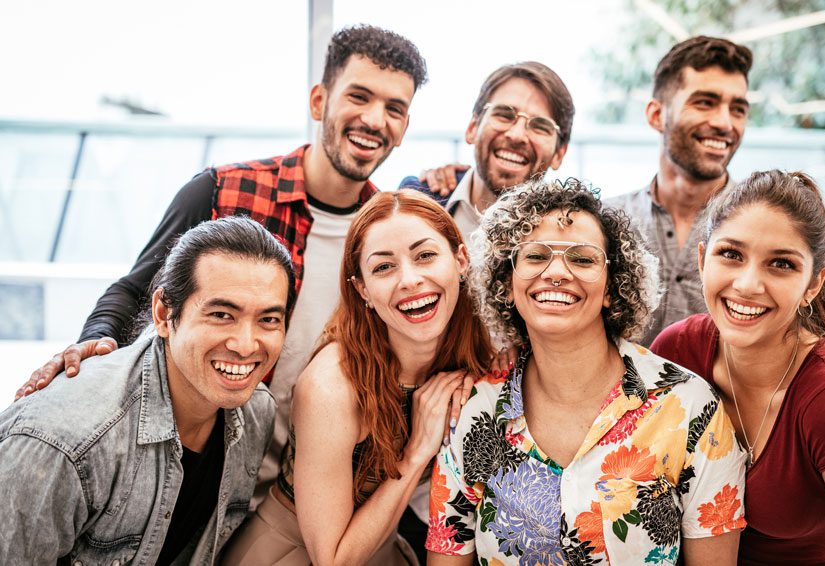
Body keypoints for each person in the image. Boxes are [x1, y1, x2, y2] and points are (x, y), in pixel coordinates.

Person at [18, 24, 428, 503]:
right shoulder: (221, 191)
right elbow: (136, 290)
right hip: (192, 468)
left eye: (394, 108)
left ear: (404, 127)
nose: (375, 119)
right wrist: (93, 349)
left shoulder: (387, 235)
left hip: (309, 492)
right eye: (359, 96)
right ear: (319, 102)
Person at [427, 179, 747, 565]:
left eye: (582, 259)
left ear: (612, 287)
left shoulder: (691, 408)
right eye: (535, 256)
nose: (556, 272)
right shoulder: (472, 412)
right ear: (506, 282)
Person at [650, 170, 825, 565]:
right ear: (702, 258)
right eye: (731, 254)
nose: (748, 284)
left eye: (780, 264)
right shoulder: (675, 352)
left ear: (813, 285)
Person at [222, 190, 494, 565]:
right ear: (362, 288)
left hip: (382, 548)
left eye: (425, 256)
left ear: (461, 260)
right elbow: (333, 559)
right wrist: (417, 452)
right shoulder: (331, 386)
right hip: (293, 553)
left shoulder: (474, 350)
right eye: (383, 267)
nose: (410, 279)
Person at [0, 216, 290, 564]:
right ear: (163, 314)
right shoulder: (66, 443)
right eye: (221, 315)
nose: (246, 345)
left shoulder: (256, 413)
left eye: (268, 320)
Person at [605, 36, 753, 346]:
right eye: (705, 102)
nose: (725, 123)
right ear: (656, 115)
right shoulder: (606, 222)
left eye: (737, 109)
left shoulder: (767, 228)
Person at [399, 61, 574, 239]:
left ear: (560, 153)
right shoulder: (416, 199)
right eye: (504, 115)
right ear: (473, 128)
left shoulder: (567, 234)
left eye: (540, 127)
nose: (516, 135)